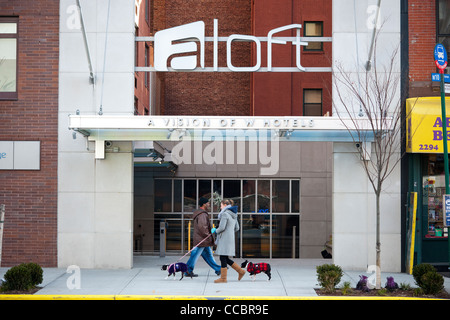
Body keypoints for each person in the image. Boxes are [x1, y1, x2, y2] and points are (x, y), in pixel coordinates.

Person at [185, 197, 221, 277]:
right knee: (195, 255)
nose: (209, 204)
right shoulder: (202, 215)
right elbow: (203, 227)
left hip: (202, 239)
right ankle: (187, 270)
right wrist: (209, 234)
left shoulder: (201, 213)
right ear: (204, 204)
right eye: (208, 203)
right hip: (202, 240)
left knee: (208, 255)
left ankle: (218, 269)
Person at [212, 199, 246, 283]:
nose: (220, 206)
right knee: (225, 258)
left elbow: (222, 227)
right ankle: (241, 271)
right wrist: (229, 232)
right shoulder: (234, 214)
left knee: (222, 257)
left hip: (224, 239)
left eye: (221, 205)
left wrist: (215, 230)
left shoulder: (225, 214)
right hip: (230, 239)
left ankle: (223, 278)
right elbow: (237, 228)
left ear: (224, 205)